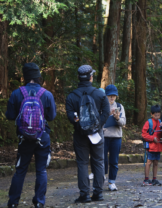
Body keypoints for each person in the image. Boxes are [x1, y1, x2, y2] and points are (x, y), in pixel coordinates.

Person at [6, 63, 57, 208]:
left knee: (21, 170)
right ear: (38, 76)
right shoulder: (46, 94)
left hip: (24, 137)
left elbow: (10, 116)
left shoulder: (17, 93)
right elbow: (52, 116)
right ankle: (39, 202)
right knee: (41, 170)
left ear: (25, 77)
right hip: (42, 137)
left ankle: (13, 202)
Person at [66, 65, 110, 203]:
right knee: (98, 162)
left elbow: (70, 116)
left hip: (80, 135)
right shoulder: (100, 94)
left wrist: (81, 127)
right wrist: (97, 127)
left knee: (82, 163)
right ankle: (98, 193)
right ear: (91, 77)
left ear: (78, 77)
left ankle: (84, 195)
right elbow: (106, 112)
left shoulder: (72, 96)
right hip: (97, 134)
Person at [103, 84, 126, 191]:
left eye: (114, 96)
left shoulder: (120, 107)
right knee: (102, 159)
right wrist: (108, 114)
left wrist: (117, 118)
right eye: (109, 95)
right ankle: (101, 178)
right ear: (106, 95)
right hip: (104, 137)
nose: (112, 98)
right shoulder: (102, 106)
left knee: (114, 161)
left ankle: (112, 181)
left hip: (116, 137)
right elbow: (98, 121)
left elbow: (123, 122)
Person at [141, 105, 162, 186]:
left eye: (158, 115)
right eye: (155, 115)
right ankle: (146, 179)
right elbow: (144, 134)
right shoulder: (149, 122)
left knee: (156, 162)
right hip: (151, 147)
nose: (157, 116)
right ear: (152, 114)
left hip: (158, 146)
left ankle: (154, 179)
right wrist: (152, 138)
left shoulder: (161, 122)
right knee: (149, 162)